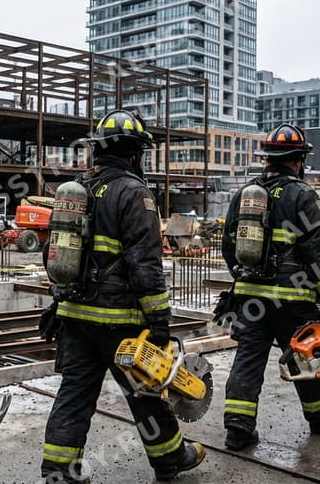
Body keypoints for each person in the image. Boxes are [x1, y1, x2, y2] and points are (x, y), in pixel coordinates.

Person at [40, 110, 205, 483]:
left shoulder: (76, 190)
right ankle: (169, 458)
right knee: (145, 392)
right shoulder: (134, 193)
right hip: (119, 322)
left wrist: (59, 301)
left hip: (74, 315)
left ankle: (58, 471)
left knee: (75, 394)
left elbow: (53, 254)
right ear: (134, 154)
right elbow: (145, 264)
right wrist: (159, 322)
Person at [217, 122, 320, 451]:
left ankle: (238, 428)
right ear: (298, 160)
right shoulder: (302, 195)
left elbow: (228, 245)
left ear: (267, 159)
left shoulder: (244, 195)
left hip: (249, 299)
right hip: (292, 300)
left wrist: (242, 276)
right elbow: (318, 253)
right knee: (306, 358)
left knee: (247, 360)